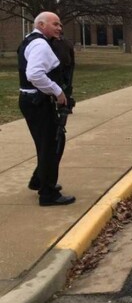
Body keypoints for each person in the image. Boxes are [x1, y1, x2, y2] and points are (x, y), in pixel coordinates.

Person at [17, 11, 76, 206]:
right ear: (42, 25)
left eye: (60, 24)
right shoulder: (41, 45)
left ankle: (40, 179)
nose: (60, 28)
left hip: (30, 101)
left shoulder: (30, 40)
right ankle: (48, 193)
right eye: (55, 24)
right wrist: (58, 92)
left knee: (46, 143)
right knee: (53, 143)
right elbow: (34, 74)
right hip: (38, 101)